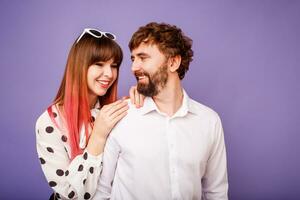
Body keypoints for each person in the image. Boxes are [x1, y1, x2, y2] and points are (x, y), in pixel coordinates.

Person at [94, 22, 228, 200]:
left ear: (173, 62)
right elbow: (101, 192)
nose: (133, 67)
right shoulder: (121, 117)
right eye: (133, 59)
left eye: (143, 58)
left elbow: (216, 193)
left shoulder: (209, 121)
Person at [35, 28, 144, 200]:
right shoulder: (50, 122)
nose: (109, 74)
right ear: (79, 65)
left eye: (114, 66)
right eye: (99, 64)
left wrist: (143, 97)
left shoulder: (115, 112)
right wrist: (98, 136)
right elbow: (70, 195)